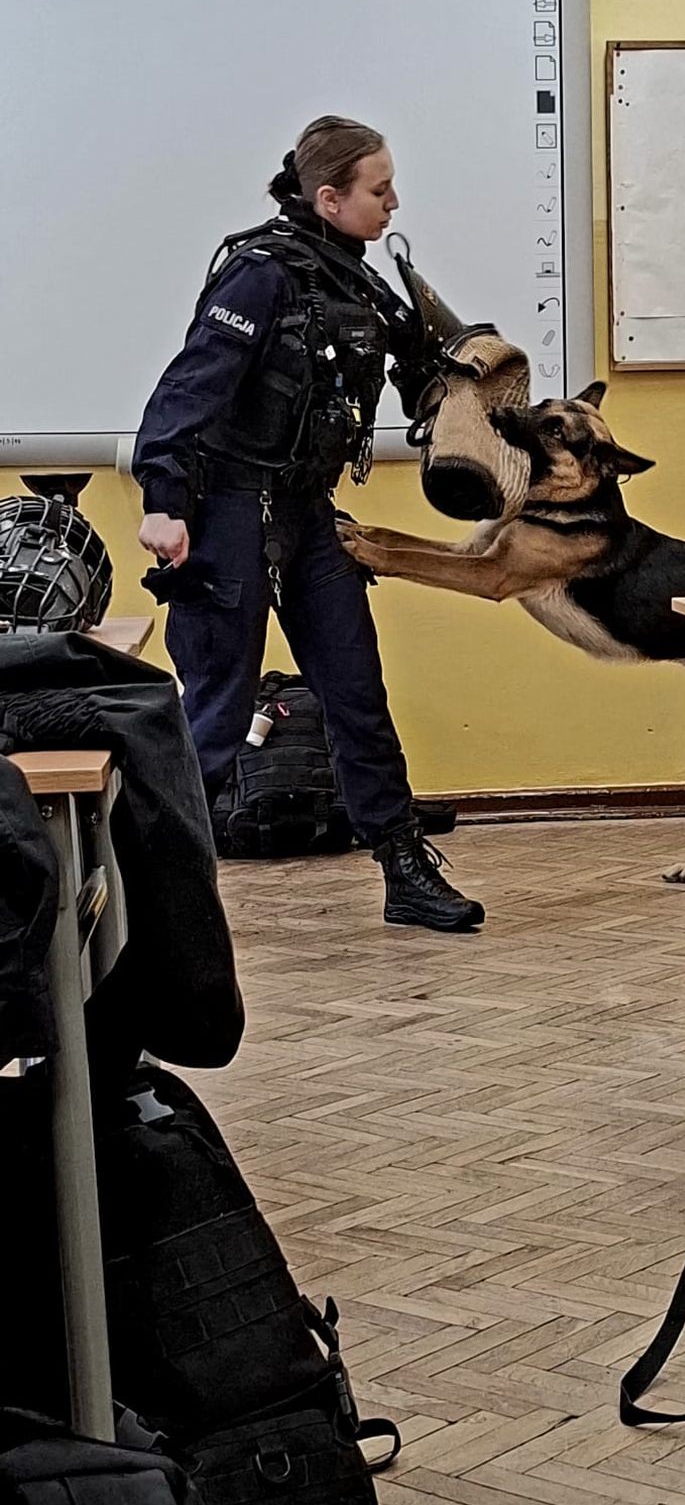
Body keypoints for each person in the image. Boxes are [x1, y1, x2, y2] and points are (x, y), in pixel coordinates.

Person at [132, 114, 484, 932]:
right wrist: (163, 502)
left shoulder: (358, 282)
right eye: (379, 189)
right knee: (217, 713)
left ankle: (403, 870)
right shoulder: (258, 277)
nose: (393, 202)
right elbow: (185, 393)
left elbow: (423, 372)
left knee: (356, 692)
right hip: (228, 511)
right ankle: (161, 900)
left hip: (307, 512)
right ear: (329, 198)